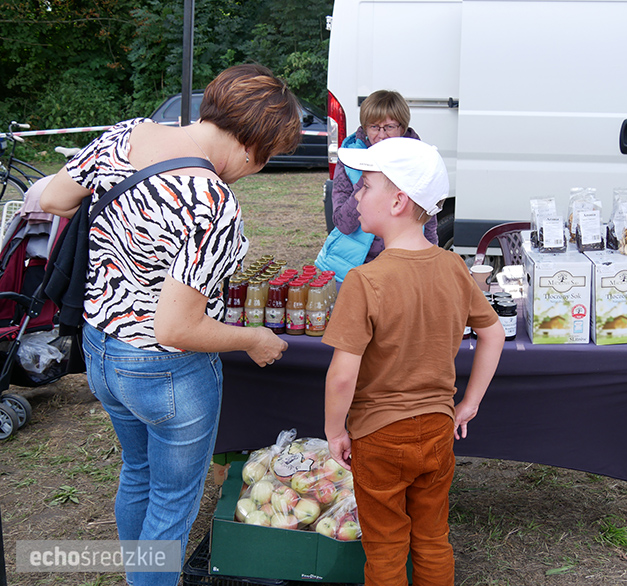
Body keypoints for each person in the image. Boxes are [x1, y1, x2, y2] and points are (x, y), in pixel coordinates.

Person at [39, 63, 301, 586]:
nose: (256, 170)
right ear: (254, 145)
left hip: (101, 350)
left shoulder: (126, 134)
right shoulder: (212, 202)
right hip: (165, 373)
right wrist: (254, 337)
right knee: (173, 499)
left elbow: (51, 199)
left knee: (137, 471)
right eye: (267, 159)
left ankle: (138, 575)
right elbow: (177, 330)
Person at [322, 137, 505, 586]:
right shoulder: (454, 267)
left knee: (385, 547)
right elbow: (493, 332)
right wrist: (469, 404)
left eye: (365, 187)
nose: (355, 197)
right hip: (438, 429)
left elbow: (343, 375)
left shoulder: (365, 280)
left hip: (379, 436)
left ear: (399, 200)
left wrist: (334, 431)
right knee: (432, 536)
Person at [316, 90, 438, 279]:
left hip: (402, 265)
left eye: (389, 127)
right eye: (374, 127)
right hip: (350, 267)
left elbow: (428, 221)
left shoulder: (419, 160)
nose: (381, 135)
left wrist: (431, 264)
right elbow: (343, 224)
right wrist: (365, 179)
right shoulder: (349, 159)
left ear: (402, 127)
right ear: (364, 128)